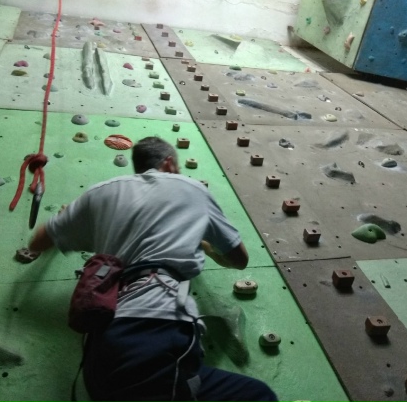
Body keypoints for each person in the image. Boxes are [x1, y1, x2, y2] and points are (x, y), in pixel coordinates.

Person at [29, 136, 278, 402]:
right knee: (259, 396)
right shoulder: (192, 188)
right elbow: (239, 259)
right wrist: (206, 247)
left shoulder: (101, 191)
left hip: (98, 351)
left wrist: (89, 228)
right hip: (154, 332)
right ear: (169, 164)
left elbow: (38, 241)